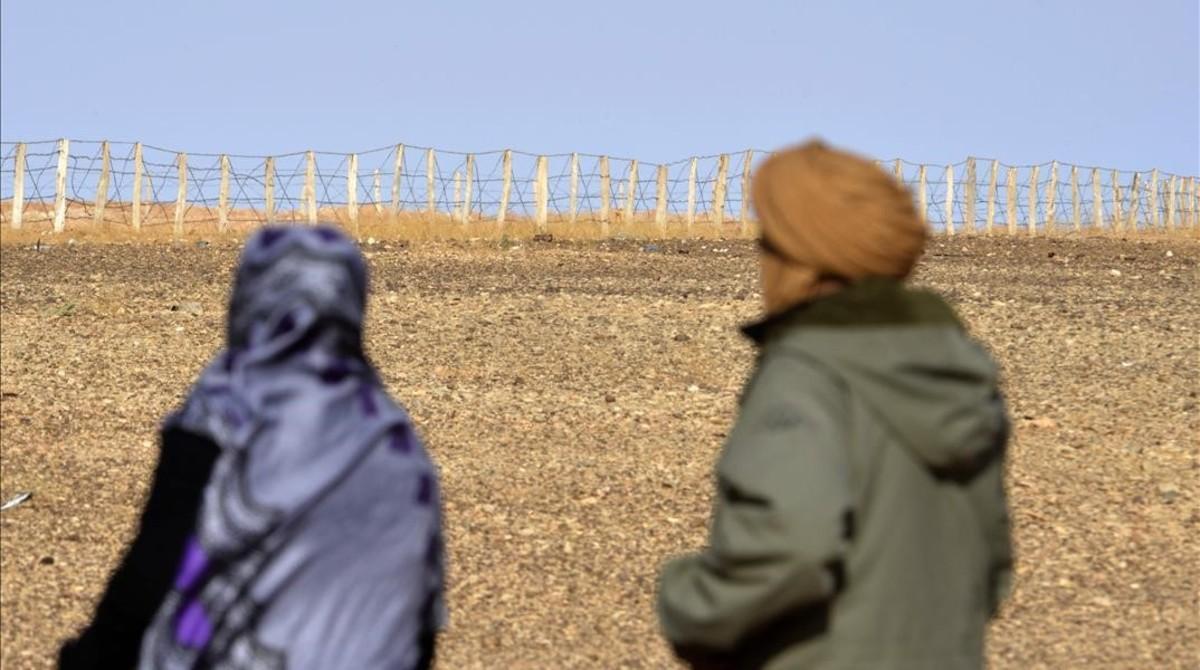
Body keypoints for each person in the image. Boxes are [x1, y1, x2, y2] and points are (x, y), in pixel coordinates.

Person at [656, 141, 1013, 669]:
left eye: (768, 241)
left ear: (797, 256)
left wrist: (690, 603)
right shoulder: (960, 370)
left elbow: (790, 547)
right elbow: (991, 568)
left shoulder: (809, 372)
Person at [59, 224, 446, 670]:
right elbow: (419, 613)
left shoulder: (226, 416)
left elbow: (156, 564)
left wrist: (93, 657)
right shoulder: (394, 442)